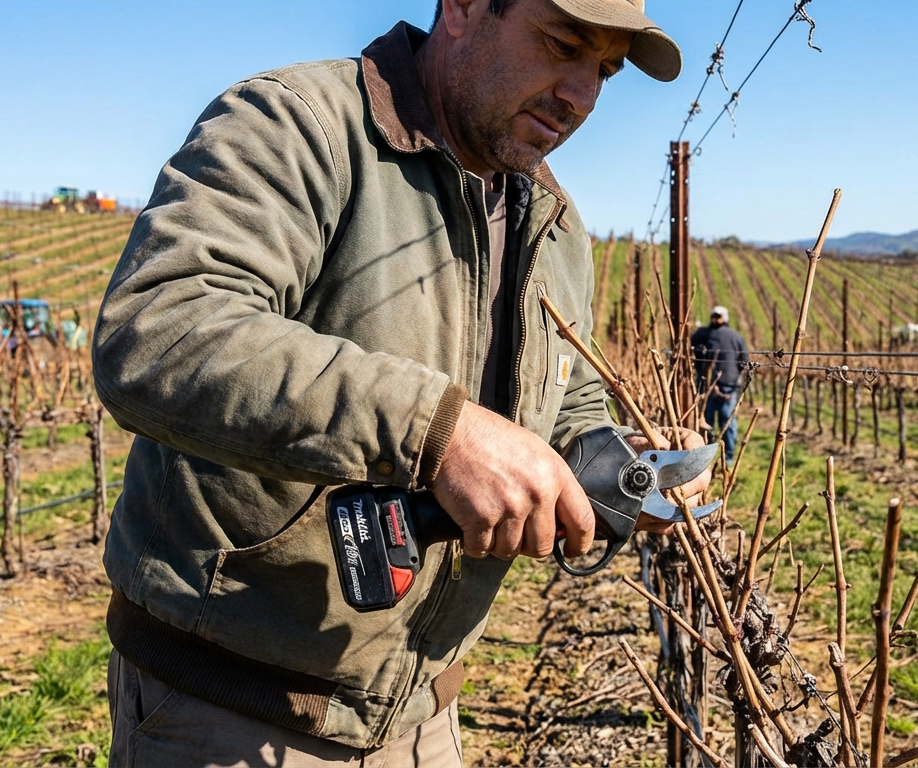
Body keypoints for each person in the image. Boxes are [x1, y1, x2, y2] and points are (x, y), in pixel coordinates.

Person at [90, 1, 699, 765]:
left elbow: (565, 401)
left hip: (425, 718)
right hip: (230, 711)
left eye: (603, 69)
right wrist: (439, 434)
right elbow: (160, 330)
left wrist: (614, 463)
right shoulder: (299, 125)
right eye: (562, 43)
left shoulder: (553, 221)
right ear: (464, 8)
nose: (579, 95)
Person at [691, 305, 749, 464]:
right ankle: (711, 456)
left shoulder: (704, 334)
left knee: (718, 420)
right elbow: (744, 360)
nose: (716, 319)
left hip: (721, 384)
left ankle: (723, 457)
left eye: (718, 316)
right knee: (713, 420)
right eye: (715, 316)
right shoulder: (732, 336)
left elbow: (744, 360)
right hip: (719, 384)